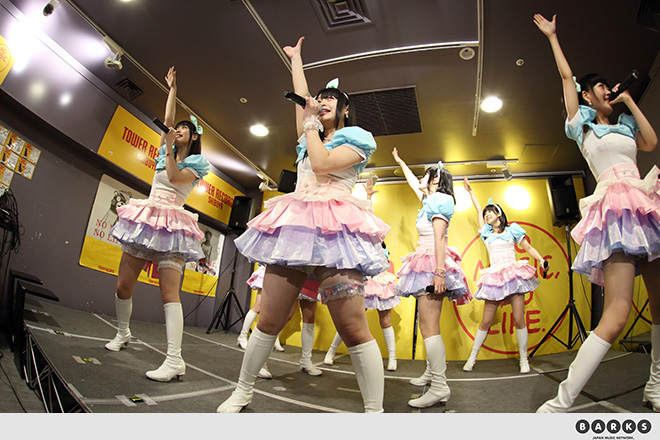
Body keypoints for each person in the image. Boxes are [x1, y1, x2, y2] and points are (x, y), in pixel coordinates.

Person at [216, 36, 390, 413]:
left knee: (353, 327)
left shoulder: (357, 138)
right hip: (296, 227)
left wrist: (311, 121)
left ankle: (374, 413)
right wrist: (296, 60)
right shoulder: (308, 135)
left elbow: (324, 164)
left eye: (331, 99)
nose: (322, 102)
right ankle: (242, 391)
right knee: (269, 318)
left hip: (337, 230)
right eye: (320, 98)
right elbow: (302, 99)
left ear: (345, 109)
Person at [534, 13, 660, 412]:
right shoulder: (583, 128)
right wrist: (553, 37)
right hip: (615, 212)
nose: (608, 89)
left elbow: (651, 142)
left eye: (608, 85)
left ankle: (656, 385)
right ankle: (559, 404)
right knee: (618, 313)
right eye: (601, 86)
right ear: (588, 96)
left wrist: (629, 101)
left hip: (646, 205)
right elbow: (566, 78)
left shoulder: (624, 125)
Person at [105, 66, 210, 382]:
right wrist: (173, 90)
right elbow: (167, 120)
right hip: (148, 218)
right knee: (123, 286)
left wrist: (168, 147)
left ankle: (175, 360)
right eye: (176, 128)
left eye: (184, 129)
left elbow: (175, 178)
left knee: (169, 294)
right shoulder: (166, 149)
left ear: (194, 137)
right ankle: (123, 332)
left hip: (173, 224)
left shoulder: (196, 163)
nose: (178, 130)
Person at [391, 148, 472, 409]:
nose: (420, 179)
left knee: (429, 326)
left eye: (424, 176)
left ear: (435, 180)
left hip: (432, 263)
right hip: (425, 261)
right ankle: (431, 373)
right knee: (426, 324)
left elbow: (439, 238)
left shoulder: (441, 200)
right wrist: (401, 161)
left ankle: (439, 386)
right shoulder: (429, 200)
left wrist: (439, 272)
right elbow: (412, 182)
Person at [462, 177, 548, 375]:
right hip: (495, 277)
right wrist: (470, 191)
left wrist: (541, 259)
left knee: (519, 319)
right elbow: (477, 210)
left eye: (490, 212)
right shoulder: (486, 233)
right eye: (486, 213)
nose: (486, 215)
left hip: (513, 275)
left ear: (498, 214)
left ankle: (524, 359)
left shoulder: (512, 230)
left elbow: (528, 247)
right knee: (486, 321)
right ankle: (472, 358)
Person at [325, 178, 400, 371]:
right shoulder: (359, 238)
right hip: (365, 281)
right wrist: (368, 196)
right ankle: (330, 352)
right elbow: (366, 215)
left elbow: (370, 216)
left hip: (381, 282)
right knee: (350, 320)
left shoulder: (379, 243)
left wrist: (368, 196)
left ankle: (392, 359)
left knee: (385, 320)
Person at [237, 264, 285, 352]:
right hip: (269, 270)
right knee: (257, 307)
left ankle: (275, 339)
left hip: (282, 273)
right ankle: (242, 336)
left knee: (276, 310)